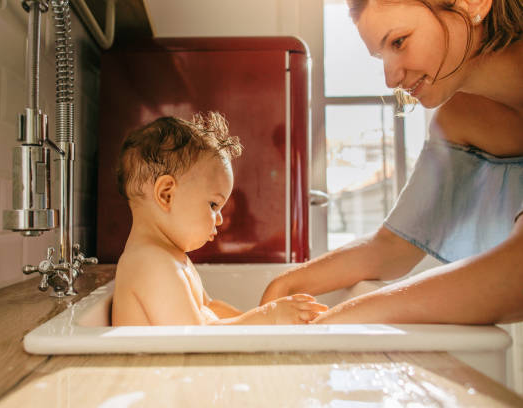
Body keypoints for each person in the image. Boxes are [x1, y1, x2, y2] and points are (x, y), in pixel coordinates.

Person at [261, 0, 523, 324]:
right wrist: (287, 282)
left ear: (472, 3)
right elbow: (394, 245)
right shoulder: (458, 117)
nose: (390, 77)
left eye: (398, 42)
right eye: (380, 57)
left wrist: (345, 317)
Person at [112, 112, 326, 326]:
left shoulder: (170, 257)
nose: (220, 220)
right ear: (166, 194)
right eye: (213, 205)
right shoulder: (150, 264)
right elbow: (196, 341)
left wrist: (255, 318)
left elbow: (209, 307)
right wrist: (268, 317)